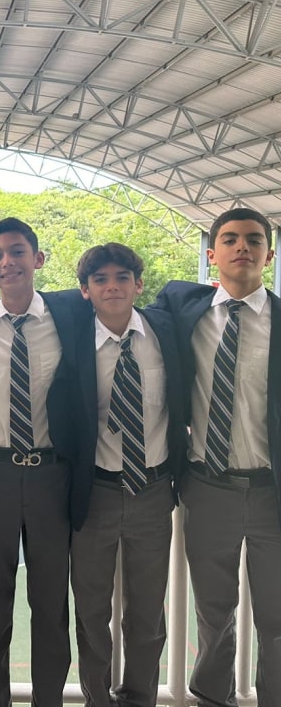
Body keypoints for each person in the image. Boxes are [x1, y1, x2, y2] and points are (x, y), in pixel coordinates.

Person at [154, 207, 281, 707]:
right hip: (207, 487)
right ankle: (213, 699)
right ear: (212, 255)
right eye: (229, 239)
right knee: (213, 613)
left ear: (269, 255)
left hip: (272, 492)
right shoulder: (185, 309)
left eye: (254, 239)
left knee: (276, 618)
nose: (242, 247)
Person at [0, 216, 78, 707]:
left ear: (38, 258)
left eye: (18, 251)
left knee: (50, 604)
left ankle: (49, 700)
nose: (9, 262)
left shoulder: (71, 313)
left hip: (53, 477)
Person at [70, 243, 186, 707]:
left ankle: (139, 697)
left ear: (139, 284)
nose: (112, 286)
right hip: (94, 492)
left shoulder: (166, 329)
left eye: (122, 277)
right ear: (85, 290)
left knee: (147, 611)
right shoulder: (72, 337)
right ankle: (97, 698)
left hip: (153, 490)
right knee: (91, 610)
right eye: (100, 279)